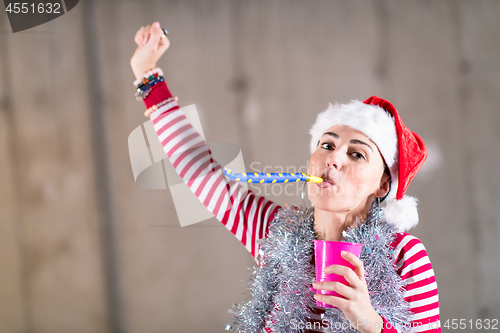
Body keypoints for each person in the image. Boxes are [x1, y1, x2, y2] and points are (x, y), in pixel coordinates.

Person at [130, 22, 441, 333]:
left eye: (356, 154)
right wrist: (147, 72)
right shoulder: (276, 232)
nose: (333, 157)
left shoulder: (403, 254)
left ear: (383, 184)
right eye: (327, 144)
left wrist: (371, 324)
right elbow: (199, 171)